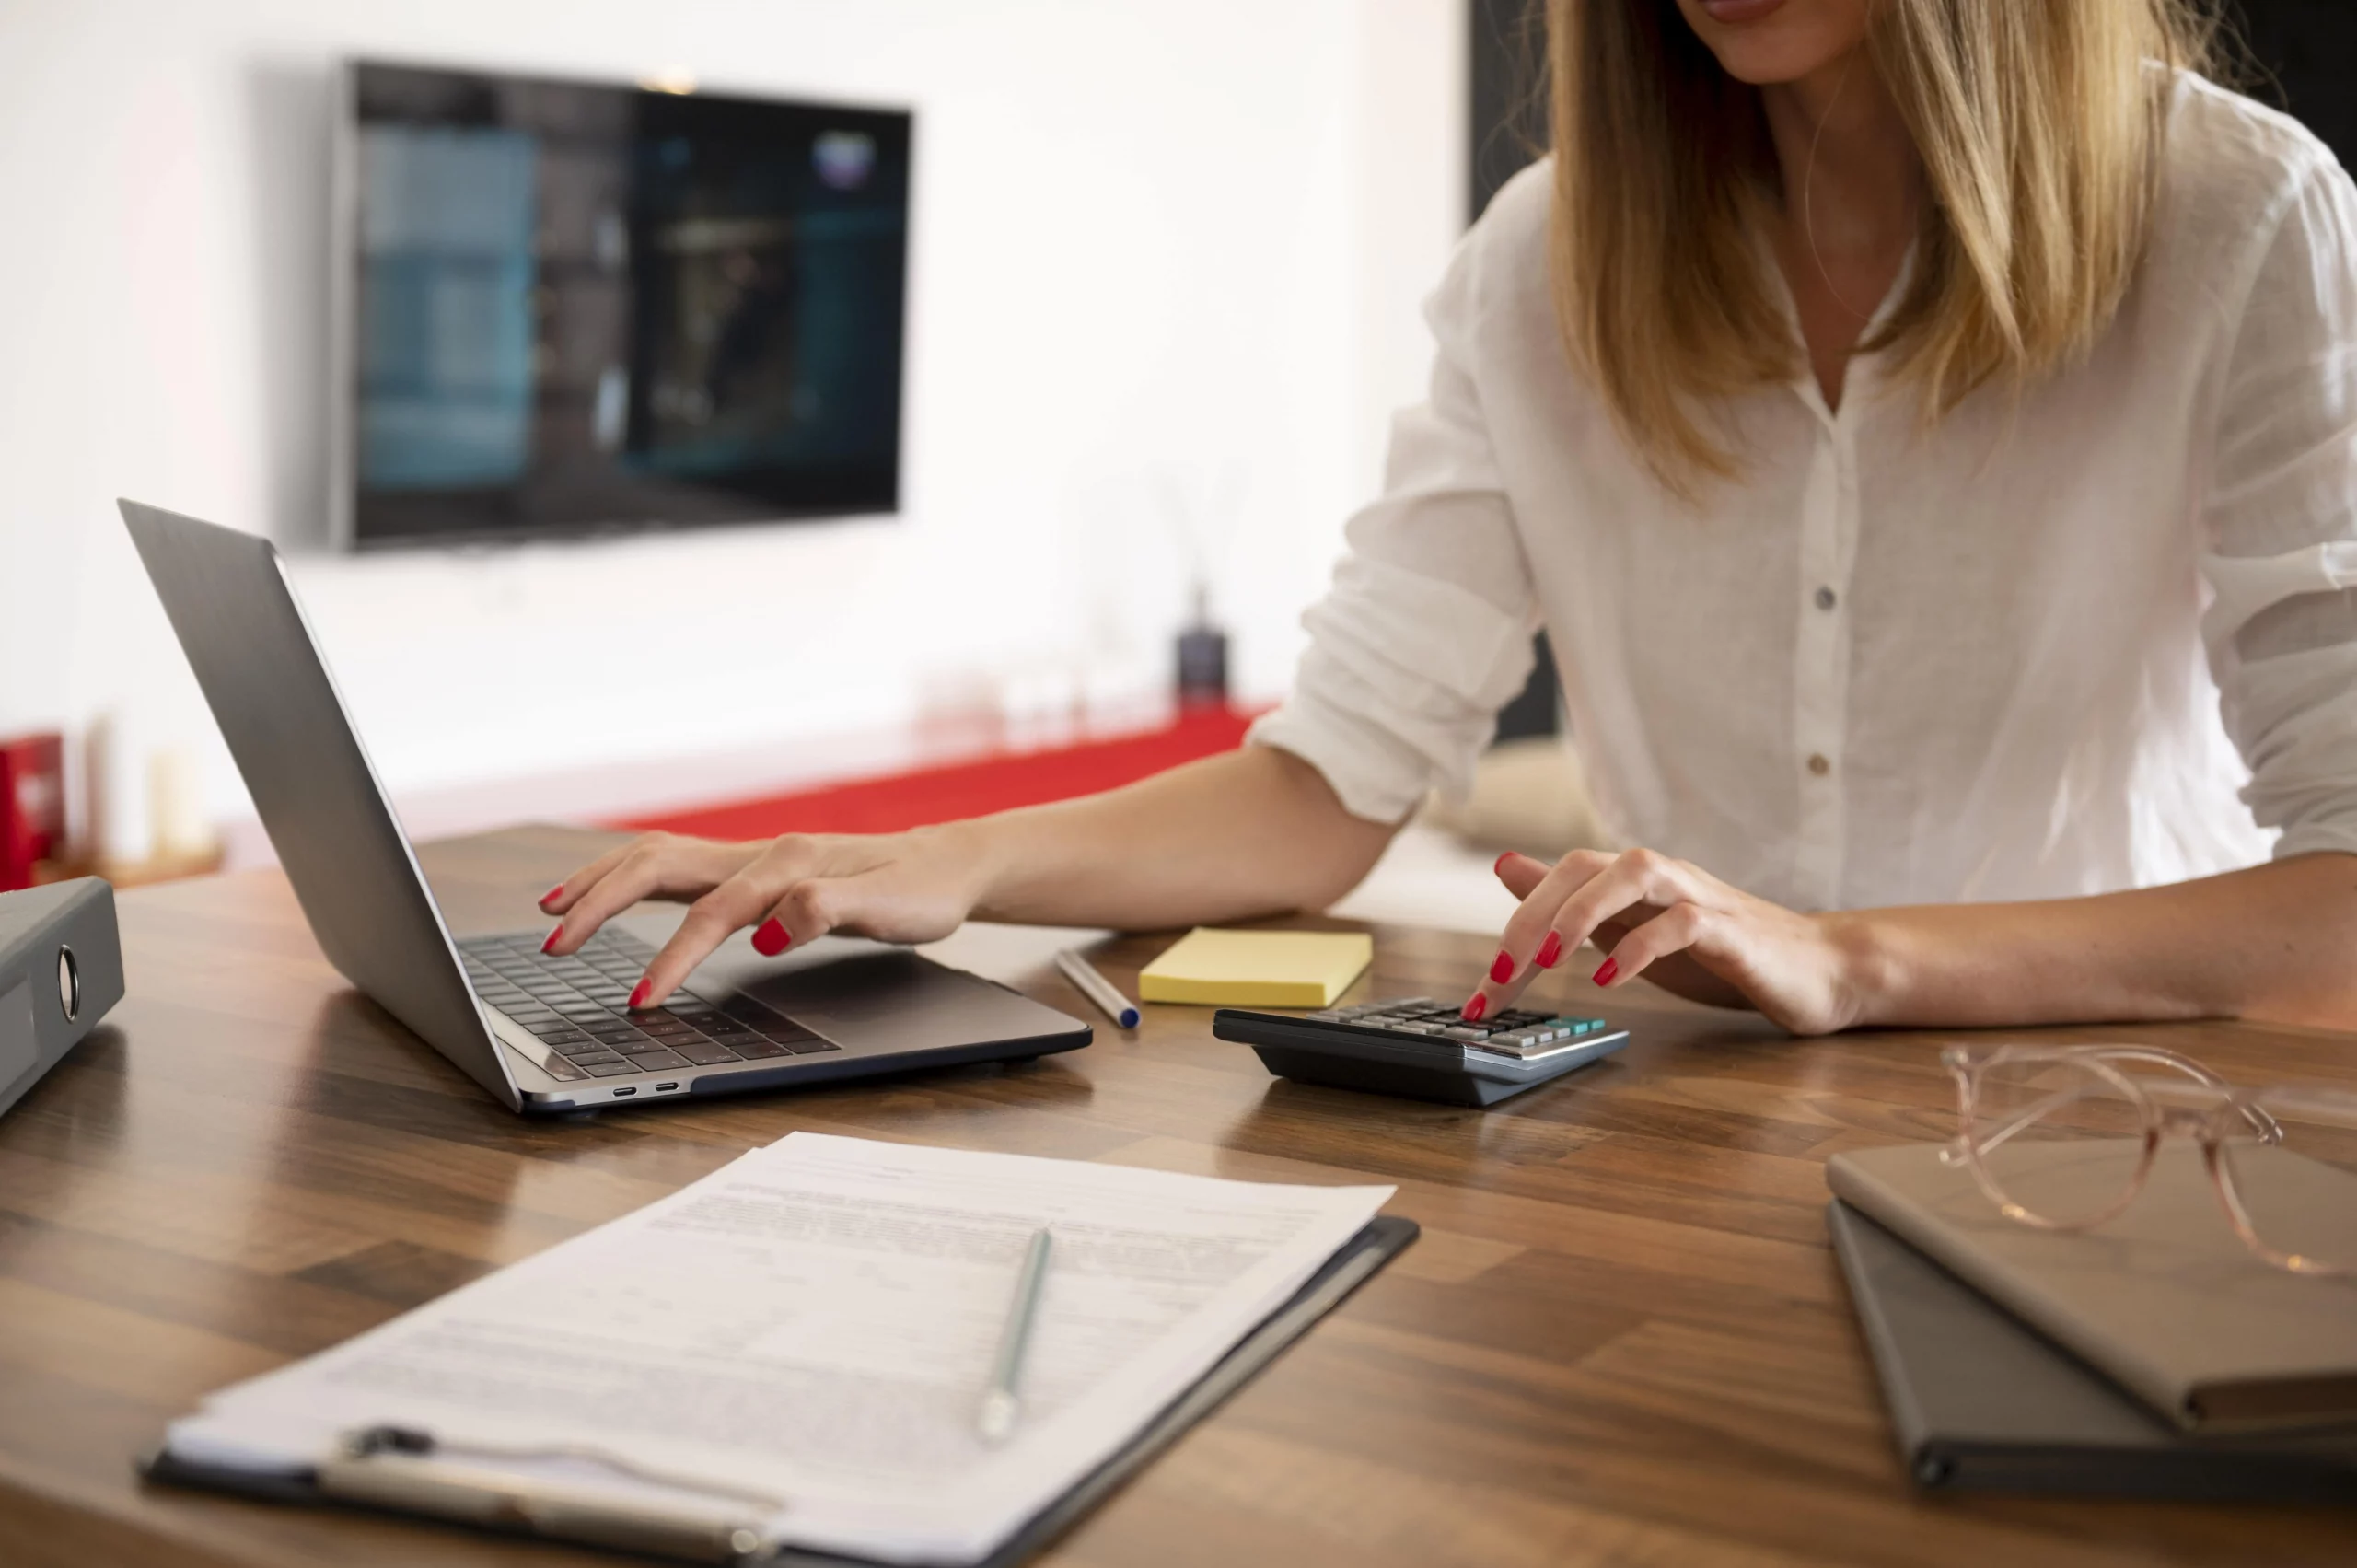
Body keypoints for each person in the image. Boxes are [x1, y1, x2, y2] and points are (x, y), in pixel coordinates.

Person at [544, 0, 2357, 1037]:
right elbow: (1324, 790)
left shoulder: (2240, 217)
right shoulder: (1542, 259)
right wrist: (953, 858)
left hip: (2099, 1128)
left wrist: (1845, 954)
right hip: (1664, 1130)